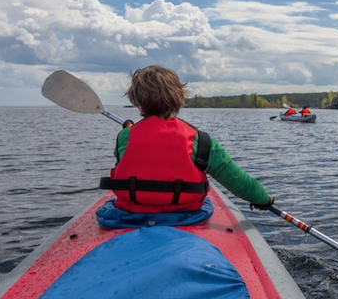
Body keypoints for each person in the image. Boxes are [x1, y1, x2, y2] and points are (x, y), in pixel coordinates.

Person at [100, 65, 274, 219]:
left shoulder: (124, 136)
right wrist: (264, 199)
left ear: (138, 104)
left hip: (129, 214)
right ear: (179, 100)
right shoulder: (202, 141)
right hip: (186, 215)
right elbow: (238, 181)